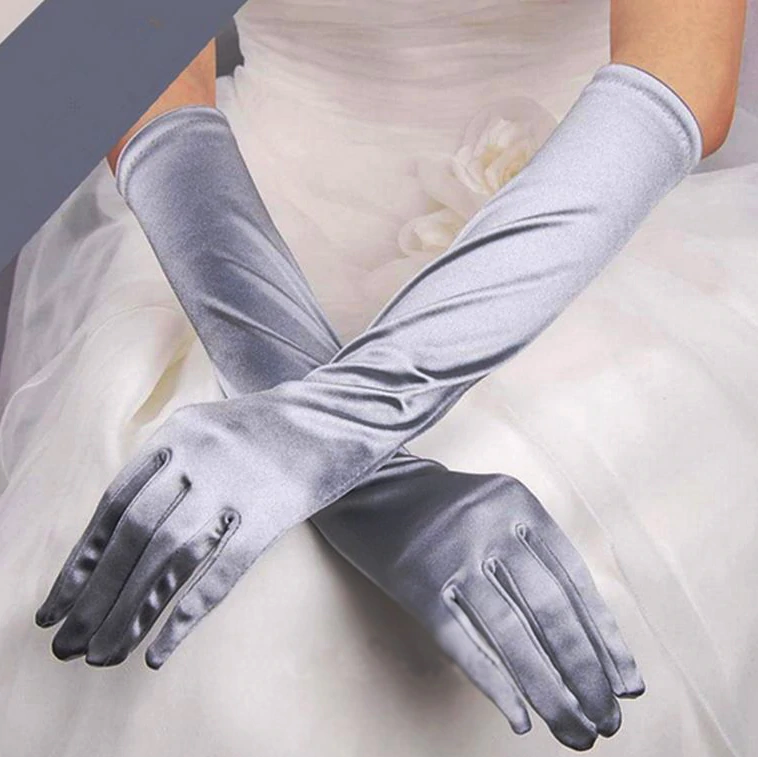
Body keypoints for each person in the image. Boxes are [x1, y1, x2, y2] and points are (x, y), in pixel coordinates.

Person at [0, 0, 755, 755]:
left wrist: (334, 419)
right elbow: (134, 61)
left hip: (586, 219)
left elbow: (678, 74)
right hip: (234, 226)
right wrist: (370, 482)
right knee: (245, 608)